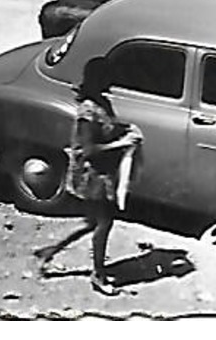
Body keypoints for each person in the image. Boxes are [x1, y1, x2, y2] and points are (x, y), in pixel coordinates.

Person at [32, 56, 141, 296]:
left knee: (94, 222)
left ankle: (51, 251)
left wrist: (124, 130)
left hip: (100, 173)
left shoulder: (100, 103)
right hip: (92, 176)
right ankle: (98, 275)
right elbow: (88, 150)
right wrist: (123, 142)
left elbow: (107, 130)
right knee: (104, 222)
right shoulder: (88, 112)